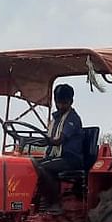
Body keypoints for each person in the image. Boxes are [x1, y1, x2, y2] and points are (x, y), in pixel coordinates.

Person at [36, 83, 84, 213]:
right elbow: (49, 138)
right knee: (30, 164)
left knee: (44, 168)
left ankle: (54, 203)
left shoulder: (72, 119)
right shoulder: (56, 118)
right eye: (58, 103)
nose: (61, 106)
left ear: (71, 102)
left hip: (71, 158)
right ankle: (36, 203)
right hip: (56, 156)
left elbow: (58, 140)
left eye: (64, 103)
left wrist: (45, 140)